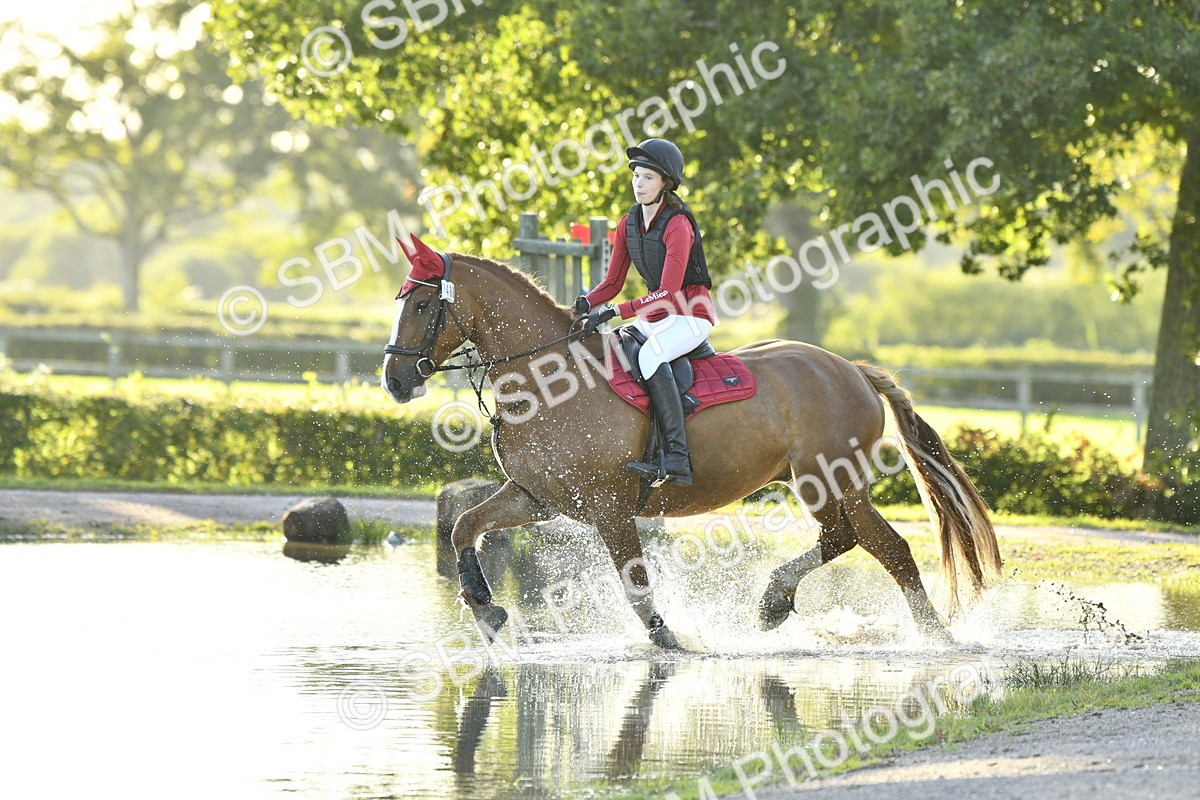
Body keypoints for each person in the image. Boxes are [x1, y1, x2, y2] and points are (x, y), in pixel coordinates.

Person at [574, 137, 716, 487]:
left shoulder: (678, 224)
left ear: (666, 183)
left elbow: (668, 293)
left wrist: (616, 312)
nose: (639, 183)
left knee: (651, 359)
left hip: (690, 316)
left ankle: (677, 461)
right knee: (614, 350)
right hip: (658, 316)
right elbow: (612, 283)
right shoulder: (628, 223)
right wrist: (585, 304)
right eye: (636, 175)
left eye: (648, 177)